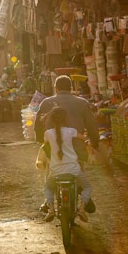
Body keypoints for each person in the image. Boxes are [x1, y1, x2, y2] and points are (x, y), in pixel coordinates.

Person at [34, 74, 99, 213]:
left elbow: (37, 125)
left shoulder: (46, 103)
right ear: (71, 88)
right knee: (78, 169)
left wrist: (41, 140)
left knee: (50, 169)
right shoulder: (82, 103)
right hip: (78, 149)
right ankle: (82, 192)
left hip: (53, 148)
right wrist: (95, 142)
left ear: (55, 88)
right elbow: (92, 125)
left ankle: (48, 201)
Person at [43, 106, 92, 222]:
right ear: (65, 119)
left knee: (47, 187)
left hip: (56, 171)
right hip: (73, 169)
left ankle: (51, 209)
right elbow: (84, 139)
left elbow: (44, 145)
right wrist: (88, 141)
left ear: (52, 120)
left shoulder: (48, 133)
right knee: (87, 186)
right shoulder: (71, 131)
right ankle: (82, 208)